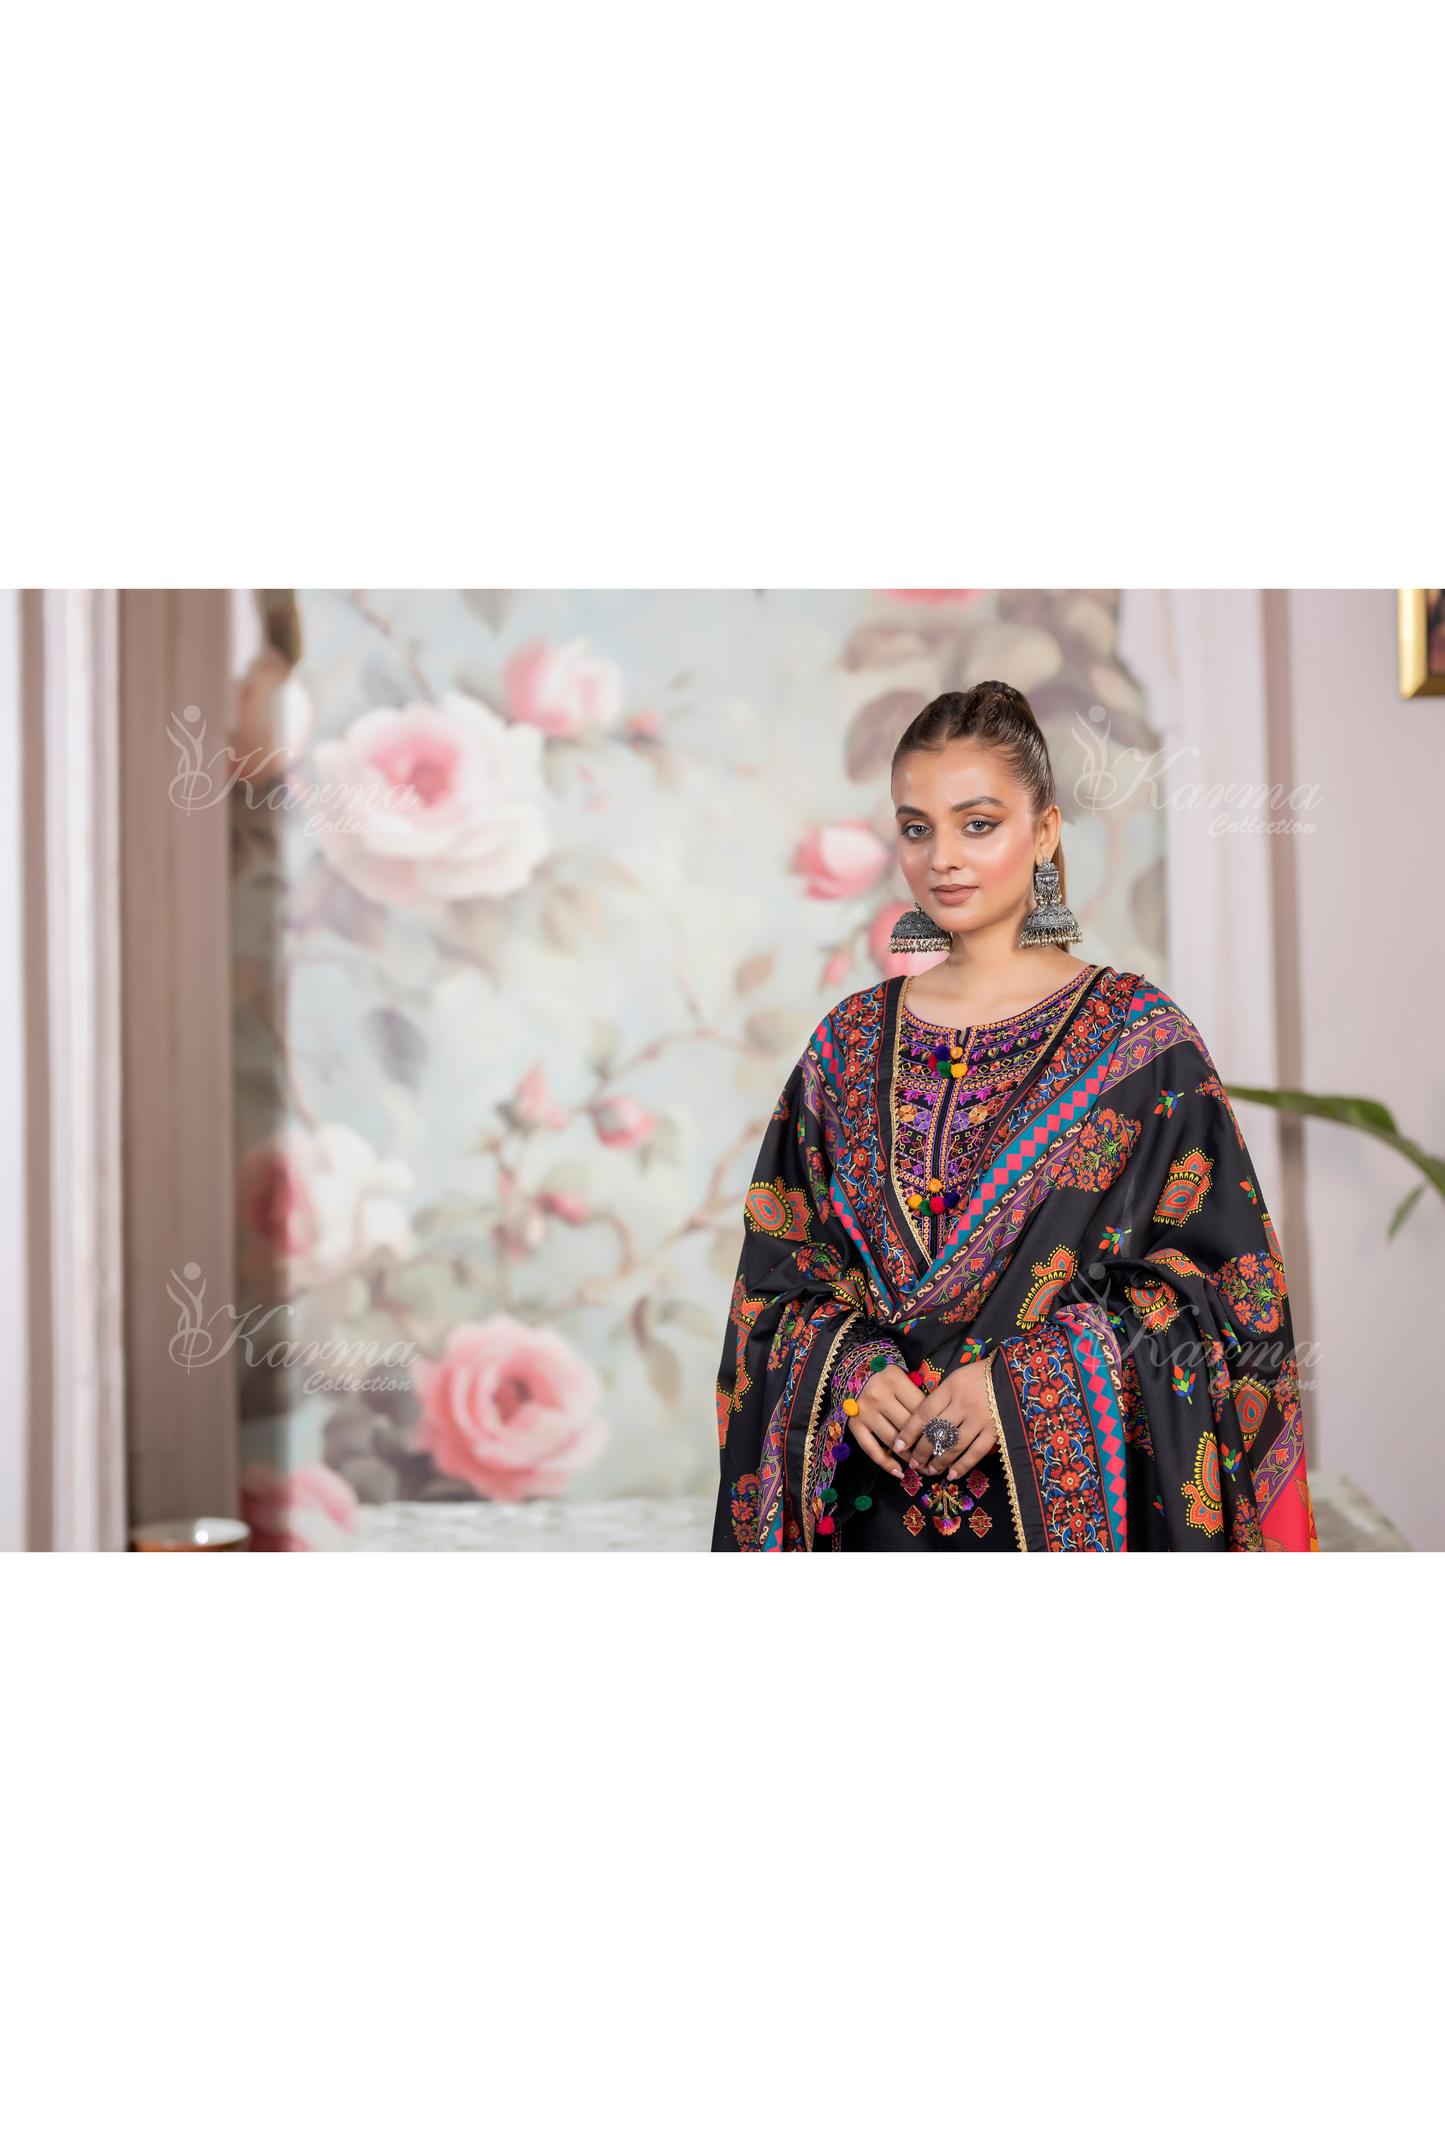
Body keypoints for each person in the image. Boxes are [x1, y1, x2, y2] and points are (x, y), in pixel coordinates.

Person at [712, 681, 1317, 1553]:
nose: (942, 858)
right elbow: (775, 1282)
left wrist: (1025, 1382)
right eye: (915, 827)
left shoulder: (1142, 1045)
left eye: (977, 823)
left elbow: (1229, 1300)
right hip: (870, 1524)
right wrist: (848, 1366)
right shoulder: (846, 1046)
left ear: (1042, 832)